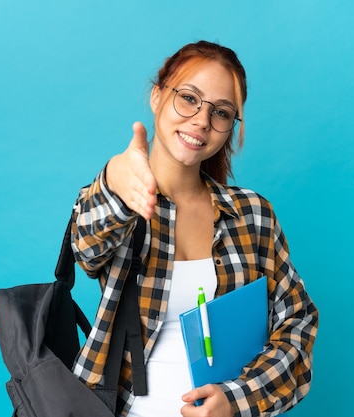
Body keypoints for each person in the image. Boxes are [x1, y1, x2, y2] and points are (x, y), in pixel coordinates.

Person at [70, 40, 318, 417]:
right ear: (156, 96)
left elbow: (297, 322)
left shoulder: (252, 215)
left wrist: (239, 398)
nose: (202, 120)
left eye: (221, 112)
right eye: (188, 98)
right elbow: (86, 248)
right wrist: (115, 181)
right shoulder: (121, 201)